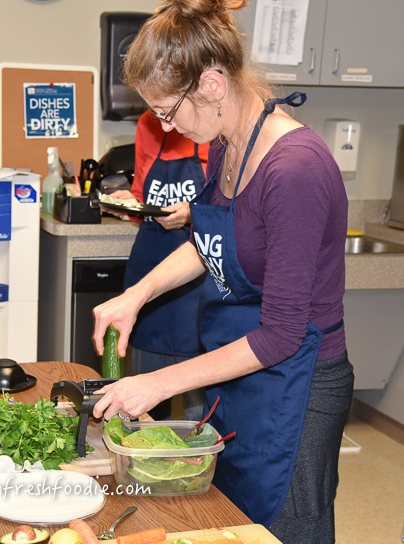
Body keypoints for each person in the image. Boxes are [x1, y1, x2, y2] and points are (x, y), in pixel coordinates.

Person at [91, 1, 354, 543]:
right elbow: (209, 239)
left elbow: (282, 334)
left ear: (211, 83)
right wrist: (137, 294)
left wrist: (159, 383)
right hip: (243, 375)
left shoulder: (294, 170)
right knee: (235, 521)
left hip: (296, 385)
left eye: (168, 110)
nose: (165, 126)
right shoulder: (231, 145)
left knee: (285, 529)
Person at [110, 110, 209, 421]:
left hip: (200, 276)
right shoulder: (147, 123)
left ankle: (202, 465)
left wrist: (194, 213)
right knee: (147, 409)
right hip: (151, 270)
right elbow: (144, 194)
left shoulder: (214, 124)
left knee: (201, 413)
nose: (164, 121)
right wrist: (129, 205)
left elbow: (231, 206)